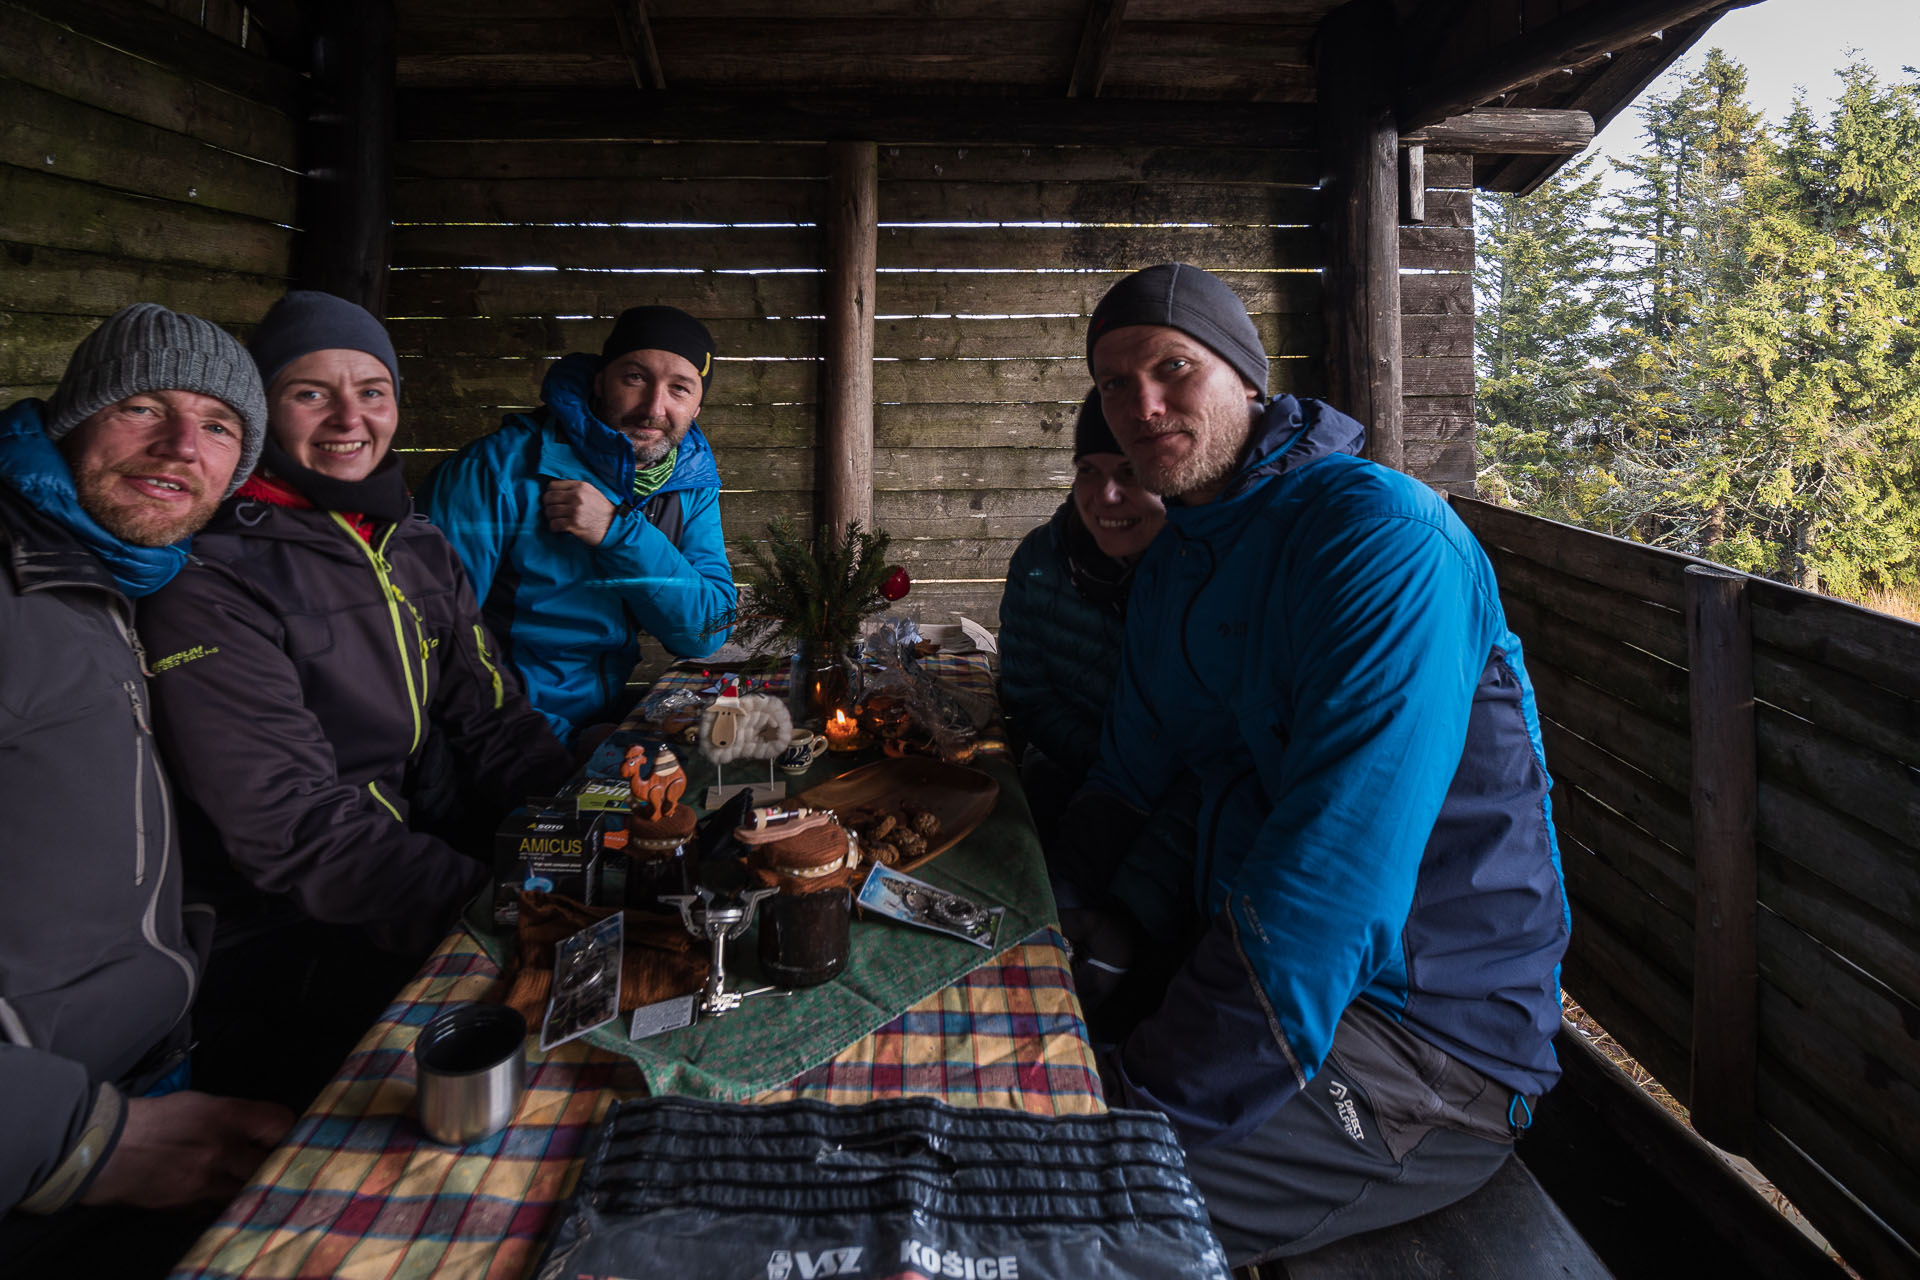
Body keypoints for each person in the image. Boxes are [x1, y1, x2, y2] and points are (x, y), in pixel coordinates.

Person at [1058, 263, 1571, 1266]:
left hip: (1425, 1047)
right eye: (1115, 383)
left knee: (1063, 1207)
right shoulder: (1179, 564)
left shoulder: (1380, 542)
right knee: (975, 1089)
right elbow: (1130, 778)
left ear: (1247, 380)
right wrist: (1049, 918)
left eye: (1173, 367)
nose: (1141, 403)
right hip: (1257, 970)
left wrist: (1141, 1104)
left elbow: (1330, 881)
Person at [136, 292, 574, 1103]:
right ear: (261, 412)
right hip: (284, 937)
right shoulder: (213, 577)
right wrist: (495, 903)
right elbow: (288, 822)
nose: (348, 418)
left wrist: (584, 822)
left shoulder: (413, 541)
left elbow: (492, 720)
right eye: (311, 392)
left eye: (371, 391)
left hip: (413, 873)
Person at [0, 304, 293, 1251]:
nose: (180, 446)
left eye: (218, 426)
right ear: (71, 417)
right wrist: (74, 1140)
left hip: (140, 1077)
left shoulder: (109, 578)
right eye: (142, 407)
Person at [419, 306, 737, 744]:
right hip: (498, 738)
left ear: (697, 405)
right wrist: (564, 742)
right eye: (636, 378)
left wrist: (618, 531)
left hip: (604, 721)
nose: (653, 408)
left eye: (679, 389)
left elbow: (707, 630)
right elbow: (432, 650)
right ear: (601, 379)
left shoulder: (690, 480)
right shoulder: (495, 470)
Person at [998, 392, 1167, 797]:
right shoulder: (1040, 562)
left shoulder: (1199, 566)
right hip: (1073, 769)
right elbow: (1029, 695)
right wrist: (1107, 766)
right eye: (1089, 470)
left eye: (1130, 471)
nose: (1106, 495)